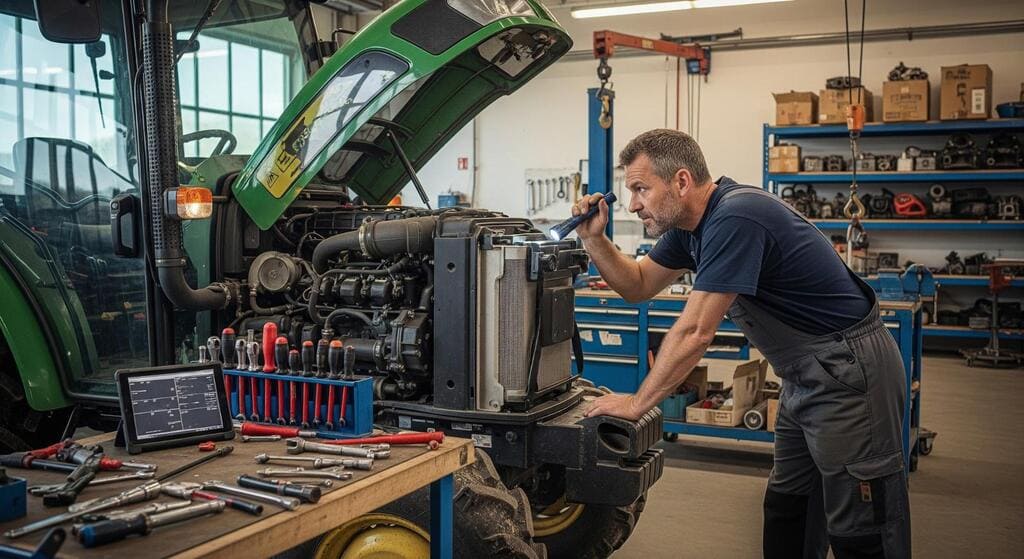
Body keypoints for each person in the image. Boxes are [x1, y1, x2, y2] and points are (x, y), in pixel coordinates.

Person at [575, 129, 910, 558]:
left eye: (641, 189)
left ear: (681, 181)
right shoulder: (690, 227)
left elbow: (696, 330)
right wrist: (593, 239)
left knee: (863, 524)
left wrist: (638, 403)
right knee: (790, 508)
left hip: (849, 372)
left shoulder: (736, 216)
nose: (634, 203)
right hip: (803, 376)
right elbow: (638, 285)